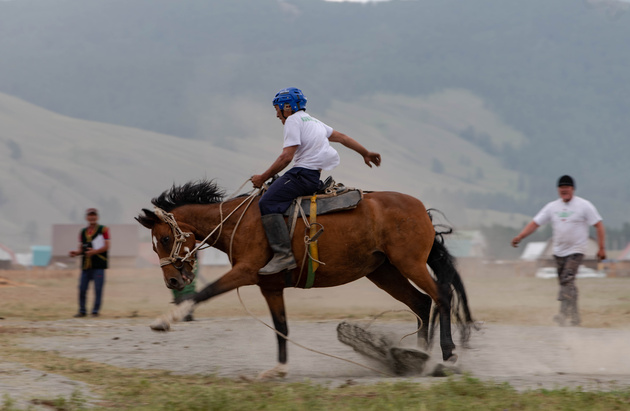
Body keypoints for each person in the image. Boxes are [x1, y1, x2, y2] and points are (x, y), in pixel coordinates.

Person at [251, 87, 381, 275]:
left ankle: (283, 255)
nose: (276, 114)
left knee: (267, 201)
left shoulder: (293, 121)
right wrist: (365, 153)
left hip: (301, 175)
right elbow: (343, 138)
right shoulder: (313, 121)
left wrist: (262, 177)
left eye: (277, 109)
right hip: (312, 176)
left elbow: (286, 157)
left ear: (287, 107)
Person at [511, 175, 606, 326]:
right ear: (558, 190)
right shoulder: (552, 207)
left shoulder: (584, 205)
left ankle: (562, 315)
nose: (564, 191)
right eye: (561, 189)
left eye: (567, 188)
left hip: (576, 250)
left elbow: (598, 225)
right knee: (566, 284)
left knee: (567, 281)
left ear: (573, 189)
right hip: (559, 252)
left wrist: (601, 248)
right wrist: (520, 236)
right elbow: (536, 223)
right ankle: (575, 318)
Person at [69, 208, 110, 317]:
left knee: (98, 289)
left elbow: (107, 246)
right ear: (87, 217)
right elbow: (81, 248)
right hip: (86, 266)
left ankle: (95, 312)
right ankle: (82, 311)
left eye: (94, 215)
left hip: (99, 265)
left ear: (97, 217)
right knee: (82, 288)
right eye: (90, 215)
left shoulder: (103, 229)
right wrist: (76, 253)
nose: (92, 217)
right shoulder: (83, 232)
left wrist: (94, 252)